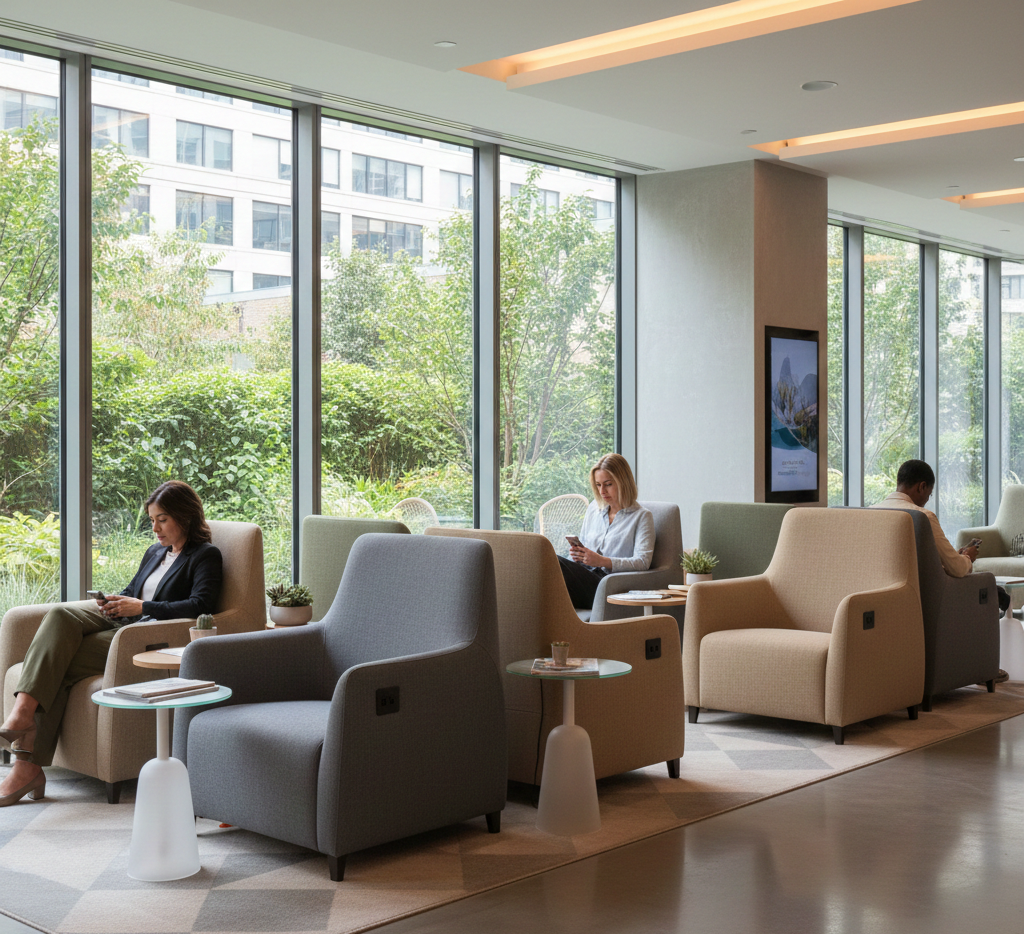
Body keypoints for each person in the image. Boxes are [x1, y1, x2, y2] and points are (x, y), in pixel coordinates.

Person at [0, 480, 222, 806]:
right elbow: (134, 589)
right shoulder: (155, 552)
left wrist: (143, 608)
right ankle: (22, 720)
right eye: (151, 520)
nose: (155, 528)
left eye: (162, 519)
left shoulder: (205, 555)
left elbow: (201, 604)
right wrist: (117, 601)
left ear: (184, 516)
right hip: (126, 620)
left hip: (146, 636)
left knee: (58, 666)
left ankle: (25, 762)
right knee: (61, 615)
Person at [872, 459, 1009, 682]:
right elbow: (957, 569)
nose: (928, 499)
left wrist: (956, 555)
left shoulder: (871, 512)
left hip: (885, 597)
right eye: (929, 493)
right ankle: (985, 667)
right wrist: (967, 557)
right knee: (991, 588)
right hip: (931, 600)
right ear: (921, 486)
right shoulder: (923, 517)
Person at [558, 453, 655, 610]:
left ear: (623, 482)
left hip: (607, 584)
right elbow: (583, 546)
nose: (602, 491)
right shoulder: (593, 509)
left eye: (608, 484)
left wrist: (602, 561)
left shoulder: (642, 516)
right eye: (598, 485)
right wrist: (577, 555)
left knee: (553, 562)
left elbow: (643, 562)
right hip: (584, 576)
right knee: (545, 563)